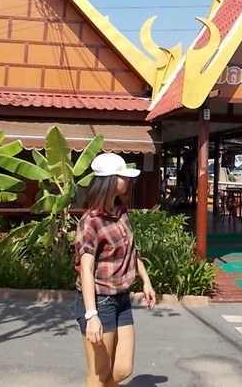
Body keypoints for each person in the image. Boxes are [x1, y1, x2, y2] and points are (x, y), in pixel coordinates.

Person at [75, 152, 156, 387]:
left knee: (122, 369)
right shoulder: (90, 222)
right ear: (110, 180)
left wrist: (146, 281)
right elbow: (86, 271)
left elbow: (132, 249)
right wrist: (91, 315)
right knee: (99, 374)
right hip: (100, 302)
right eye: (123, 176)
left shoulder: (120, 211)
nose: (128, 180)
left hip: (122, 298)